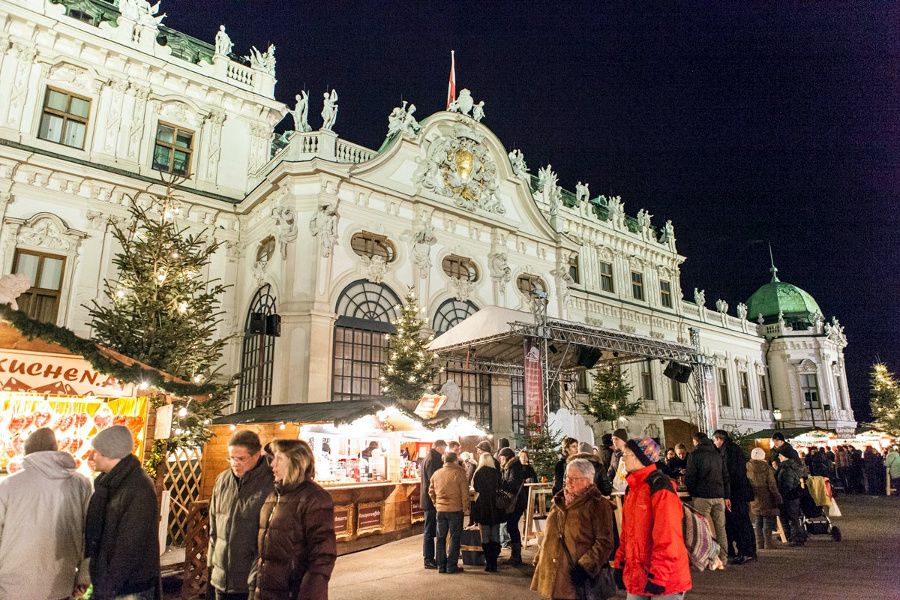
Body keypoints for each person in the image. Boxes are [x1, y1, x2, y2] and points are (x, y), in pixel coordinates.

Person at [0, 427, 92, 600]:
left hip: (11, 588)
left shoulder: (8, 485)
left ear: (26, 452)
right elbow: (91, 532)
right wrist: (84, 575)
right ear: (56, 450)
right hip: (61, 585)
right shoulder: (82, 484)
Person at [250, 439, 336, 599]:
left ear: (296, 463)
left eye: (279, 459)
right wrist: (254, 589)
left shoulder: (315, 498)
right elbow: (264, 554)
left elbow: (322, 556)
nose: (272, 464)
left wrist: (309, 594)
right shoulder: (272, 496)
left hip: (292, 593)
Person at [85, 425, 160, 599]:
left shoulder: (138, 488)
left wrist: (108, 586)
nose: (92, 457)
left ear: (110, 454)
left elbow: (130, 544)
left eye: (96, 452)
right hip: (110, 582)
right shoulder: (109, 483)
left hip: (129, 587)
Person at [613, 437, 691, 600]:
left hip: (665, 577)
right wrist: (620, 563)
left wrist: (659, 575)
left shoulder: (659, 486)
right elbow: (627, 532)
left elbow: (668, 535)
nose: (623, 458)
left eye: (626, 454)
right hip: (637, 573)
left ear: (639, 457)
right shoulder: (632, 488)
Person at [531, 458, 615, 600]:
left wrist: (585, 567)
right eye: (567, 477)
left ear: (589, 480)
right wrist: (540, 557)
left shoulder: (598, 505)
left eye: (574, 478)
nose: (568, 482)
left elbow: (605, 541)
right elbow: (550, 533)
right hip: (554, 575)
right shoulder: (559, 501)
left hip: (576, 577)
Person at [208, 430, 274, 600]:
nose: (235, 464)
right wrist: (211, 567)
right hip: (221, 580)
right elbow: (214, 528)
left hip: (250, 582)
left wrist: (256, 577)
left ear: (257, 455)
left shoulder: (271, 484)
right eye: (231, 458)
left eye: (241, 459)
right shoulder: (222, 480)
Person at [684, 431, 729, 568]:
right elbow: (725, 476)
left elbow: (690, 477)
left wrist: (692, 492)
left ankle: (706, 559)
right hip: (719, 495)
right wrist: (726, 495)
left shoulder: (695, 455)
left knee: (701, 528)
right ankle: (723, 558)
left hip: (702, 495)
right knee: (721, 528)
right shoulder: (718, 454)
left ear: (696, 441)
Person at [713, 430, 756, 564]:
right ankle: (748, 551)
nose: (715, 443)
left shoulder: (728, 452)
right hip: (740, 491)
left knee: (740, 523)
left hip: (735, 493)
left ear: (720, 439)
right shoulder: (733, 449)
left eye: (715, 440)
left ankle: (746, 552)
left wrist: (727, 495)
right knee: (742, 522)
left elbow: (729, 474)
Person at [428, 451, 470, 574]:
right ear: (455, 460)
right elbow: (464, 493)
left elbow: (431, 491)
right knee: (455, 538)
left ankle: (441, 565)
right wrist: (465, 507)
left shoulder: (437, 473)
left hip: (441, 510)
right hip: (455, 510)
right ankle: (451, 565)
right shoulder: (460, 473)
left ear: (444, 461)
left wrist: (436, 503)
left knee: (440, 538)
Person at [470, 452, 505, 572]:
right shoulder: (496, 472)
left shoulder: (478, 473)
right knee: (495, 535)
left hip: (482, 505)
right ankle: (494, 563)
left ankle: (488, 562)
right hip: (495, 506)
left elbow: (476, 488)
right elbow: (501, 485)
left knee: (484, 536)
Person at [746, 447, 781, 551]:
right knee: (767, 520)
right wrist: (777, 495)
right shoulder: (766, 467)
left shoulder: (747, 466)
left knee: (757, 520)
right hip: (766, 495)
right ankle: (768, 543)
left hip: (754, 495)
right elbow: (772, 484)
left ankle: (759, 543)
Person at [498, 447, 527, 565]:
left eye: (502, 457)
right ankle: (515, 556)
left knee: (512, 526)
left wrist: (501, 483)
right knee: (511, 526)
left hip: (517, 502)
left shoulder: (514, 466)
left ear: (507, 457)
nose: (500, 459)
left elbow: (513, 484)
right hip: (516, 501)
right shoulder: (509, 466)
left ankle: (516, 557)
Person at [421, 439, 446, 569]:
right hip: (431, 501)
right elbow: (434, 481)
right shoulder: (433, 459)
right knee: (430, 531)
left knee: (431, 530)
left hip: (429, 500)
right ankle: (428, 559)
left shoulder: (428, 457)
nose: (445, 452)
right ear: (439, 447)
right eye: (444, 449)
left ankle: (431, 558)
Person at [773, 446, 806, 546]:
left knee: (792, 517)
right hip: (791, 496)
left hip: (789, 496)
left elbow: (788, 484)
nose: (779, 456)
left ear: (785, 456)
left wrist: (781, 493)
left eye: (780, 454)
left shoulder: (787, 468)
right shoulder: (788, 466)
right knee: (788, 517)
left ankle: (796, 538)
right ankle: (788, 535)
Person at [608, 428, 630, 494]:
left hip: (627, 489)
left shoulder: (630, 453)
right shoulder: (614, 454)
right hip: (617, 489)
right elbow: (611, 470)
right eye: (613, 439)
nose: (614, 441)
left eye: (616, 439)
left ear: (624, 440)